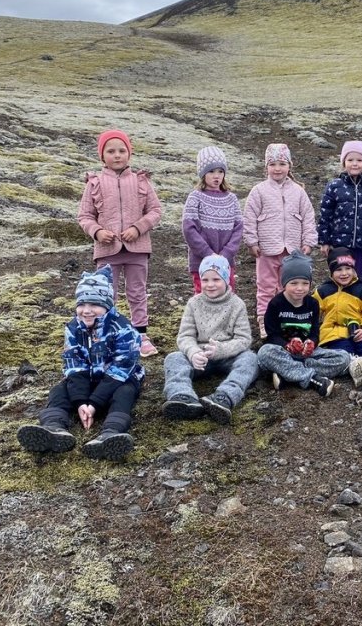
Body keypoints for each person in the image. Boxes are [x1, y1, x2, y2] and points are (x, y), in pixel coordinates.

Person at [17, 265, 144, 461]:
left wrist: (93, 403)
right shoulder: (73, 327)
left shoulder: (124, 329)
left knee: (124, 394)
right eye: (81, 304)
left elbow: (120, 371)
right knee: (59, 390)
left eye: (94, 304)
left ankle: (111, 433)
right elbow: (74, 366)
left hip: (119, 379)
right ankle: (53, 427)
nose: (86, 311)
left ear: (107, 305)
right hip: (88, 379)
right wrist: (80, 402)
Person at [77, 129, 162, 357]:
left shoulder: (140, 181)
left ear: (129, 153)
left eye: (122, 150)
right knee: (105, 294)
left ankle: (140, 335)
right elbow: (84, 216)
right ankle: (106, 334)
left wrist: (138, 228)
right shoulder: (94, 183)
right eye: (111, 151)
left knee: (137, 292)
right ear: (102, 155)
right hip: (106, 251)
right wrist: (97, 232)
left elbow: (155, 211)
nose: (117, 155)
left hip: (138, 249)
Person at [162, 255, 258, 424]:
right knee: (173, 358)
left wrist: (221, 350)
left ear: (226, 279)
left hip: (228, 355)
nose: (210, 284)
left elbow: (244, 339)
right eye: (205, 279)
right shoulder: (193, 303)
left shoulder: (238, 305)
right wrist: (193, 353)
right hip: (200, 357)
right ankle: (182, 396)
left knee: (250, 359)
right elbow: (185, 336)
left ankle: (224, 397)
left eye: (216, 279)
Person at [242, 143, 318, 339]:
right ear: (266, 167)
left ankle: (288, 318)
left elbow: (308, 216)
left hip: (292, 251)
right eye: (273, 164)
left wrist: (308, 241)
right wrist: (252, 242)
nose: (277, 168)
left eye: (282, 164)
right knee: (265, 286)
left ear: (289, 166)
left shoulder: (298, 191)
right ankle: (264, 320)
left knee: (289, 286)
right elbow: (249, 217)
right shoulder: (258, 191)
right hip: (266, 249)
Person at [257, 251, 351, 396]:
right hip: (283, 352)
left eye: (305, 283)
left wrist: (311, 343)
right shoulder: (276, 303)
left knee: (343, 358)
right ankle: (312, 379)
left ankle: (287, 373)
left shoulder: (312, 303)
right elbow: (272, 335)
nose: (299, 288)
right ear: (284, 284)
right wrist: (286, 345)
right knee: (264, 353)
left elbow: (314, 332)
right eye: (293, 283)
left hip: (306, 354)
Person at [313, 247, 362, 387]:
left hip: (357, 330)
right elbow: (312, 311)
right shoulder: (323, 291)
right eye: (338, 270)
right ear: (331, 272)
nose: (344, 273)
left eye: (348, 269)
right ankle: (356, 368)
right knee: (344, 350)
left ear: (354, 269)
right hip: (334, 333)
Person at [182, 146, 244, 294]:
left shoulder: (232, 199)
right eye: (211, 171)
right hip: (201, 262)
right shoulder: (195, 197)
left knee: (227, 297)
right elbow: (189, 229)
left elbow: (238, 229)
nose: (216, 176)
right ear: (202, 173)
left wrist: (226, 255)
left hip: (226, 263)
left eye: (220, 171)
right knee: (203, 298)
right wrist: (208, 254)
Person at [318, 140, 362, 281]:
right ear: (344, 162)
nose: (355, 163)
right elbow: (325, 215)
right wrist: (324, 241)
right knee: (341, 275)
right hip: (339, 243)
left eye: (359, 160)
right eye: (350, 159)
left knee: (359, 277)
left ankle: (358, 302)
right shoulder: (334, 186)